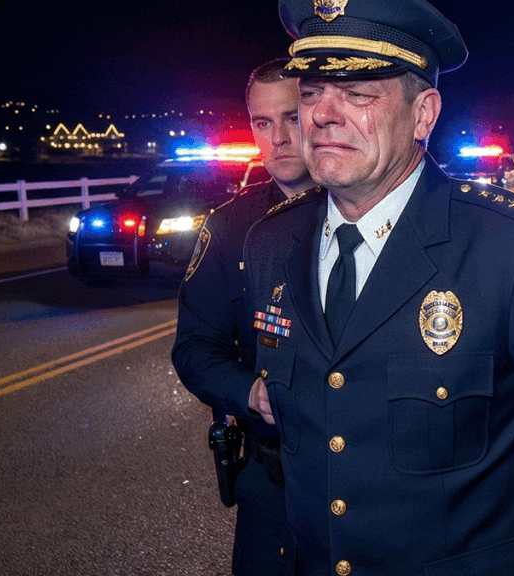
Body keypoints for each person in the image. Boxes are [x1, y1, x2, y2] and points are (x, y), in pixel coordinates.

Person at [218, 0, 514, 574]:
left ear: (423, 114)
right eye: (311, 92)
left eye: (358, 93)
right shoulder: (271, 243)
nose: (322, 115)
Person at [172, 58, 316, 576]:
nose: (278, 138)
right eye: (262, 122)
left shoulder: (361, 210)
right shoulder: (229, 227)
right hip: (271, 477)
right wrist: (249, 393)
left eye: (293, 117)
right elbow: (194, 348)